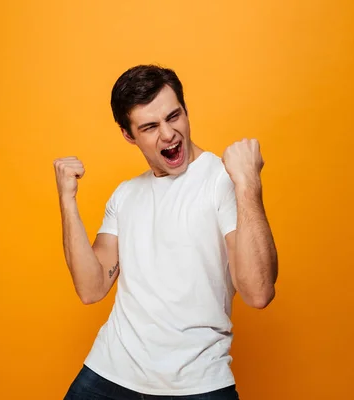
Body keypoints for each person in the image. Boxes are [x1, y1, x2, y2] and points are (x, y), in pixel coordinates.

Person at [54, 65, 278, 399]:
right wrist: (67, 201)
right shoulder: (126, 195)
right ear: (129, 135)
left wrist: (247, 184)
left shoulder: (222, 180)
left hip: (197, 383)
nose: (168, 134)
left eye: (174, 117)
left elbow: (259, 292)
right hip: (110, 373)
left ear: (186, 111)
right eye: (150, 127)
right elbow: (91, 288)